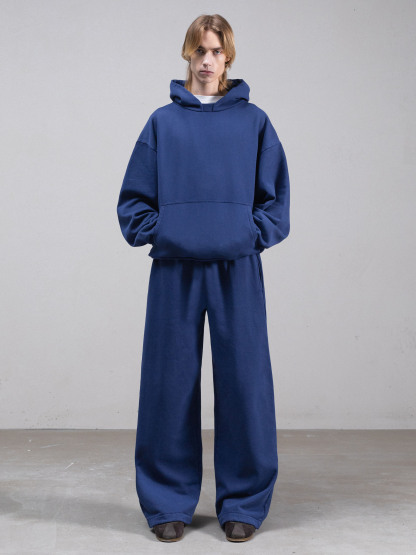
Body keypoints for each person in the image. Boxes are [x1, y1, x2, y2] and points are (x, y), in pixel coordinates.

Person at [117, 13, 290, 543]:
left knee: (245, 384)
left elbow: (276, 202)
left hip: (237, 265)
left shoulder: (254, 122)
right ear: (187, 56)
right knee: (168, 384)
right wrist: (167, 232)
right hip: (175, 267)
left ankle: (244, 502)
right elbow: (133, 202)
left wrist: (246, 233)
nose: (207, 60)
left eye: (216, 51)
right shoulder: (162, 123)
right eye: (199, 51)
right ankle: (167, 502)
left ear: (228, 57)